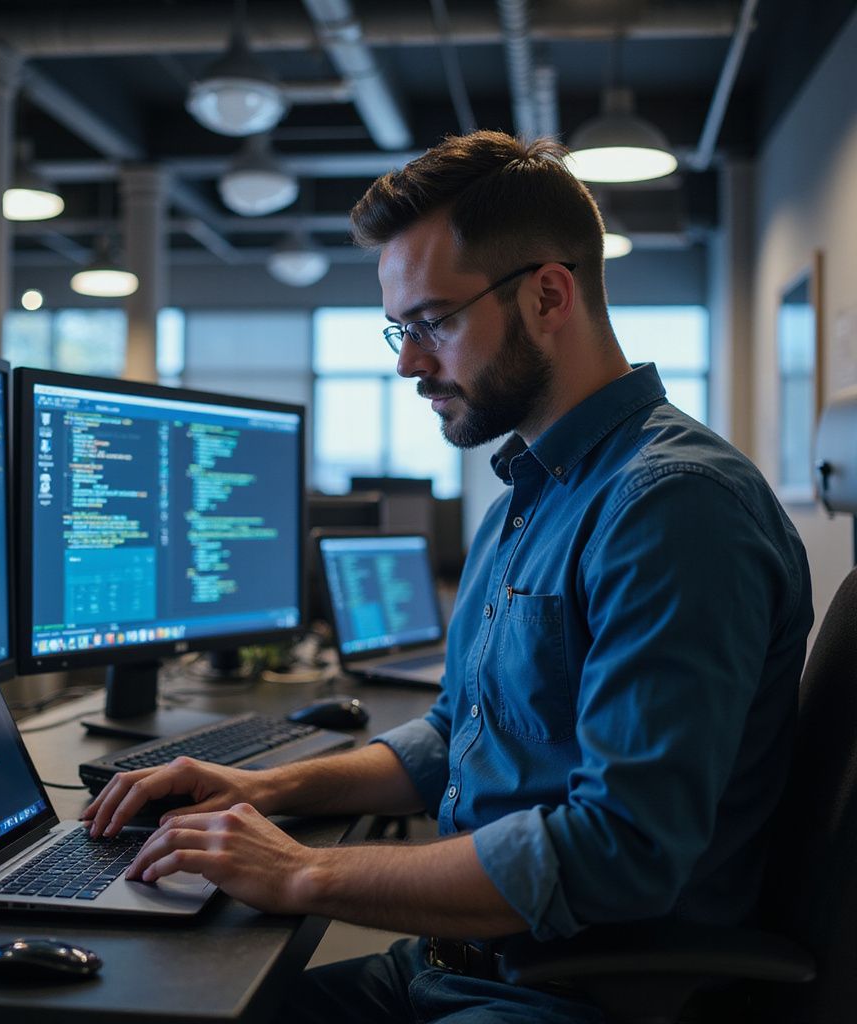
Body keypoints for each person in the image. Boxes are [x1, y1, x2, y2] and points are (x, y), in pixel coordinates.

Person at [83, 131, 813, 1023]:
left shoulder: (673, 506)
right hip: (456, 965)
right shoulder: (532, 490)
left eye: (432, 322)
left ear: (548, 295)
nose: (407, 362)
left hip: (586, 993)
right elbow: (457, 730)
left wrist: (303, 870)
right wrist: (264, 789)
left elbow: (621, 850)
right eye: (400, 328)